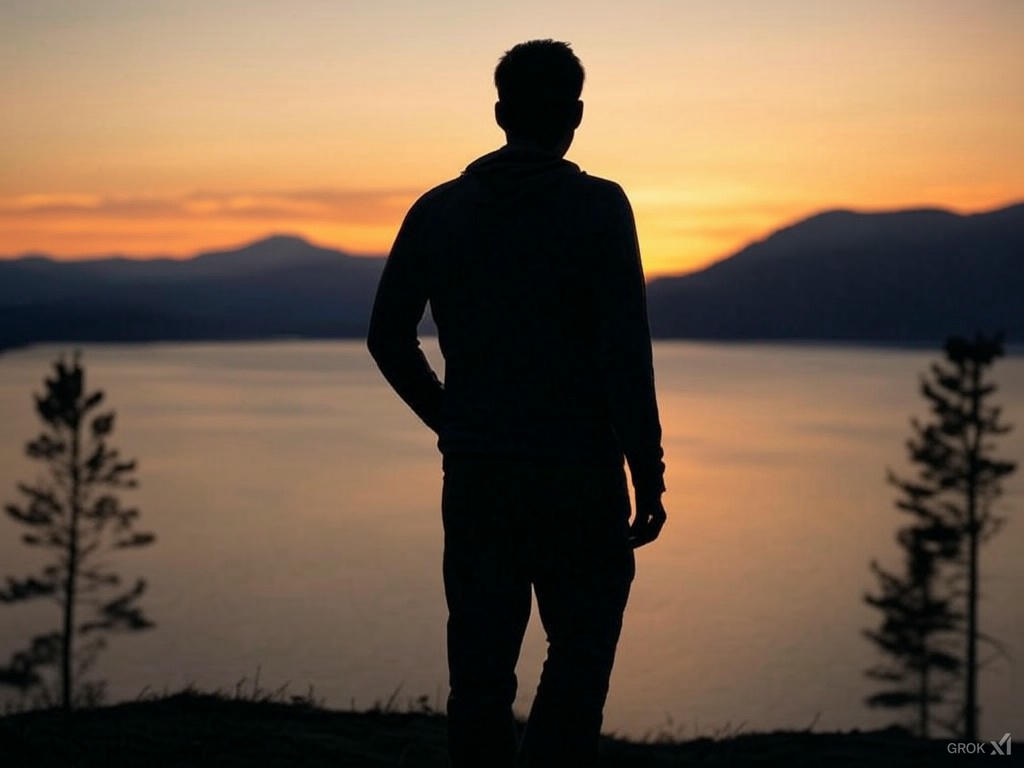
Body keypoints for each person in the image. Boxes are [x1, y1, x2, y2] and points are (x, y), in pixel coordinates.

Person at [367, 38, 667, 768]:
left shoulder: (437, 211)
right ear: (576, 115)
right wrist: (647, 471)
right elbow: (624, 352)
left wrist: (454, 422)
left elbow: (387, 336)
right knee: (581, 651)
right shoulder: (599, 209)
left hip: (479, 478)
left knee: (478, 673)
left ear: (500, 113)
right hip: (578, 473)